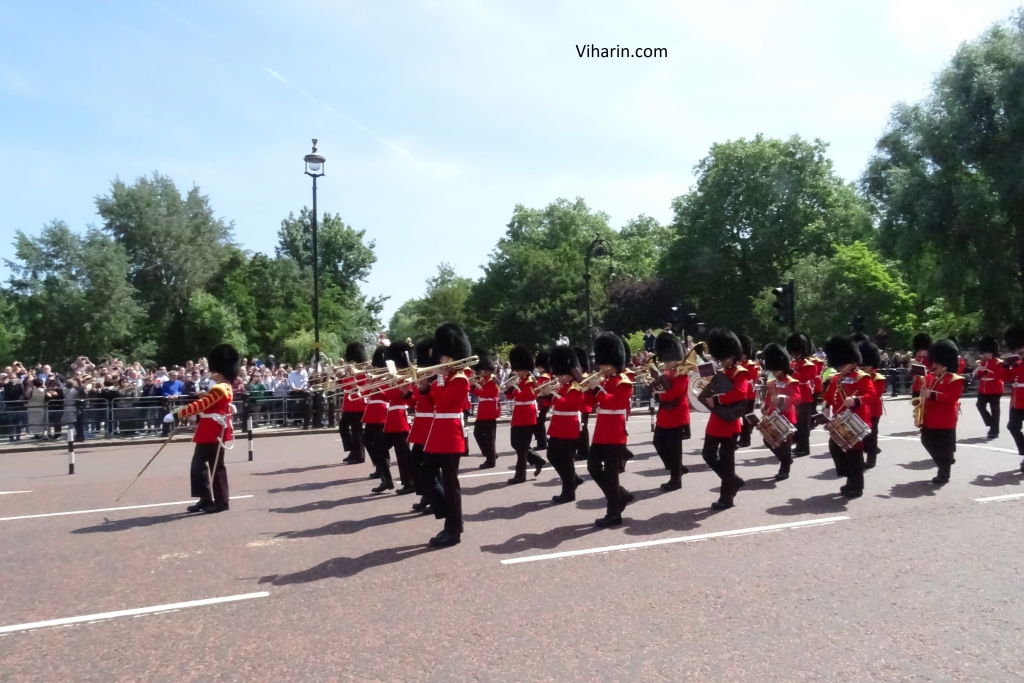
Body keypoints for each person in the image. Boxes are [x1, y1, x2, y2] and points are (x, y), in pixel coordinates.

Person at [163, 344, 240, 514]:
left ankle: (221, 502)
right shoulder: (220, 388)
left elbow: (201, 405)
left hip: (215, 432)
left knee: (215, 467)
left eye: (213, 371)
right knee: (198, 466)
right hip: (208, 430)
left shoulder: (220, 388)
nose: (211, 374)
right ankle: (205, 498)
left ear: (220, 372)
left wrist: (176, 414)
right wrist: (204, 395)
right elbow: (209, 401)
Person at [420, 323, 473, 547]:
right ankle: (452, 518)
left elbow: (443, 401)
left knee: (451, 484)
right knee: (425, 477)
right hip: (437, 433)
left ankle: (453, 530)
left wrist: (438, 380)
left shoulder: (461, 378)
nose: (439, 361)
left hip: (450, 433)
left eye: (442, 358)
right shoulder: (447, 377)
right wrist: (423, 387)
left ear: (452, 357)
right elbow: (430, 401)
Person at [588, 332, 635, 527]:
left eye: (602, 363)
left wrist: (597, 389)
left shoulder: (623, 381)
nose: (599, 367)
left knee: (610, 473)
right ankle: (619, 495)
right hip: (601, 431)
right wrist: (589, 391)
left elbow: (614, 403)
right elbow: (593, 403)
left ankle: (614, 513)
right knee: (592, 467)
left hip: (615, 432)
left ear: (612, 362)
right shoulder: (607, 380)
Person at [822, 336, 877, 499]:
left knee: (854, 453)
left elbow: (871, 395)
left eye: (842, 364)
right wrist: (825, 405)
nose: (839, 368)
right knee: (835, 447)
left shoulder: (861, 377)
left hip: (856, 420)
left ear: (853, 362)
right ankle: (848, 475)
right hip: (841, 420)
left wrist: (856, 400)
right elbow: (830, 394)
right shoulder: (837, 378)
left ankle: (856, 486)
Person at [701, 328, 750, 510]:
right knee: (708, 454)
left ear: (733, 354)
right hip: (716, 420)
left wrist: (717, 399)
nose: (722, 360)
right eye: (720, 357)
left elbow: (740, 393)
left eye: (724, 357)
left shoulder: (740, 372)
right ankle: (733, 481)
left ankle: (726, 498)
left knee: (727, 460)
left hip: (729, 421)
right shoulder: (720, 372)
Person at [542, 346, 585, 503]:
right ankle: (573, 480)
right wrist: (547, 395)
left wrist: (552, 393)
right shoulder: (562, 386)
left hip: (569, 426)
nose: (558, 377)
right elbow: (553, 403)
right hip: (558, 425)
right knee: (552, 455)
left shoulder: (577, 387)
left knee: (566, 461)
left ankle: (568, 492)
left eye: (562, 374)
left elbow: (567, 404)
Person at [649, 331, 690, 491]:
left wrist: (659, 393)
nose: (665, 363)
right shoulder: (666, 373)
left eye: (668, 359)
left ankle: (675, 479)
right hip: (665, 414)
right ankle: (677, 468)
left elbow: (674, 394)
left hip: (677, 414)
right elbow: (663, 390)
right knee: (657, 442)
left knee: (675, 449)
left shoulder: (682, 373)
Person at [920, 339, 963, 484]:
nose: (934, 365)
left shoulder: (954, 379)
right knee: (926, 441)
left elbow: (952, 397)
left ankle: (944, 473)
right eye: (934, 362)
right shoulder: (930, 377)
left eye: (937, 363)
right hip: (929, 417)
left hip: (945, 419)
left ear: (946, 362)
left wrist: (931, 394)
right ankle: (944, 463)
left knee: (944, 448)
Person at [377, 342, 415, 495]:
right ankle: (386, 480)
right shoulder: (396, 377)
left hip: (400, 420)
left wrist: (387, 384)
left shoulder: (405, 377)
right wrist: (379, 388)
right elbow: (388, 398)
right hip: (391, 421)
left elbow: (397, 395)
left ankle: (409, 483)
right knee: (379, 450)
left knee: (403, 456)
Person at [505, 345, 546, 484]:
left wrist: (515, 387)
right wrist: (510, 387)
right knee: (515, 443)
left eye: (519, 369)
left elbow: (526, 396)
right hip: (518, 414)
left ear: (526, 369)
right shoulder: (521, 380)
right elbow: (511, 397)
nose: (517, 372)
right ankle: (537, 459)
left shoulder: (530, 381)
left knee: (521, 449)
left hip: (527, 415)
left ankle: (520, 475)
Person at [760, 343, 800, 481]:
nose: (774, 372)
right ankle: (786, 460)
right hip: (773, 416)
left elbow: (797, 398)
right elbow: (768, 398)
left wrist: (784, 398)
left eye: (776, 370)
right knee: (768, 440)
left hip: (787, 416)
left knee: (785, 444)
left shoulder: (791, 381)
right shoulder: (773, 383)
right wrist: (765, 408)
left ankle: (784, 469)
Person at [408, 339, 436, 513]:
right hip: (420, 426)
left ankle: (434, 498)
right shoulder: (422, 380)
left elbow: (434, 401)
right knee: (416, 463)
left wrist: (426, 387)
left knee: (430, 467)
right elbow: (416, 403)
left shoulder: (436, 382)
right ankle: (427, 494)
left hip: (431, 426)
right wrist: (406, 393)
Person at [362, 346, 390, 482]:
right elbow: (365, 392)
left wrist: (378, 390)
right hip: (372, 412)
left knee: (379, 443)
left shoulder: (388, 376)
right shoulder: (374, 376)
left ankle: (382, 467)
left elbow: (390, 396)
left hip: (381, 411)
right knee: (367, 440)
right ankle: (379, 465)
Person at [857, 340, 886, 470]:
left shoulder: (878, 378)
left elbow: (874, 395)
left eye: (865, 365)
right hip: (860, 409)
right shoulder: (857, 376)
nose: (863, 367)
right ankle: (870, 451)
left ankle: (871, 459)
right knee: (862, 436)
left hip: (873, 410)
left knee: (871, 435)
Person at [786, 332, 815, 457]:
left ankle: (804, 448)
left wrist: (791, 372)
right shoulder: (794, 363)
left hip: (804, 396)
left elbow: (803, 379)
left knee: (803, 424)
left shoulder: (809, 364)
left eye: (796, 352)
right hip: (794, 396)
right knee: (796, 423)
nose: (794, 354)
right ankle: (798, 445)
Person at [339, 342, 368, 464]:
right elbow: (344, 386)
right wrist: (342, 376)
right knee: (343, 427)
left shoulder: (363, 370)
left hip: (357, 404)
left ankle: (359, 455)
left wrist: (351, 379)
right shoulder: (350, 370)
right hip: (349, 404)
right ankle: (353, 450)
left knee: (357, 431)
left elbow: (362, 385)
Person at [470, 352, 500, 469]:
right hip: (483, 408)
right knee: (478, 433)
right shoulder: (484, 379)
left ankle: (490, 460)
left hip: (489, 408)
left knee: (489, 436)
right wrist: (473, 386)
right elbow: (480, 393)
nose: (480, 372)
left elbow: (485, 393)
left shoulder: (493, 380)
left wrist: (474, 386)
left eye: (482, 369)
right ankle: (490, 454)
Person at [974, 335, 1005, 440]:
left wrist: (986, 372)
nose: (985, 354)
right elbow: (978, 376)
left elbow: (999, 375)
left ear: (992, 352)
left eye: (987, 352)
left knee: (995, 410)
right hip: (983, 388)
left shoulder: (998, 362)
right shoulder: (981, 362)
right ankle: (992, 423)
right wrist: (978, 374)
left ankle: (994, 430)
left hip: (995, 388)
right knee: (980, 405)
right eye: (984, 352)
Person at [1003, 324, 1024, 471]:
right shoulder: (1016, 364)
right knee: (1012, 426)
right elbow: (1006, 378)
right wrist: (1005, 366)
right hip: (1017, 402)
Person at [737, 334, 759, 448]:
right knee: (740, 416)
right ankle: (743, 434)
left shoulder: (751, 365)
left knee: (746, 417)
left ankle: (746, 439)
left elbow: (750, 378)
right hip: (742, 393)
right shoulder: (740, 364)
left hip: (749, 393)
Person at [574, 347, 593, 462]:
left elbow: (586, 390)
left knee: (583, 429)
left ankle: (584, 450)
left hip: (584, 406)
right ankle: (581, 449)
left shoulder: (585, 376)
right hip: (577, 406)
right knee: (579, 429)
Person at [533, 349, 551, 451]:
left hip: (543, 402)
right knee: (539, 423)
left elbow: (542, 389)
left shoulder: (545, 377)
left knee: (539, 423)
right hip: (542, 402)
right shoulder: (544, 376)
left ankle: (542, 443)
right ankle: (543, 440)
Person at [910, 333, 932, 398]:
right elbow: (912, 375)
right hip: (916, 387)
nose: (919, 352)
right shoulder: (917, 359)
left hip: (927, 387)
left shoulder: (932, 359)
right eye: (918, 350)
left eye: (921, 350)